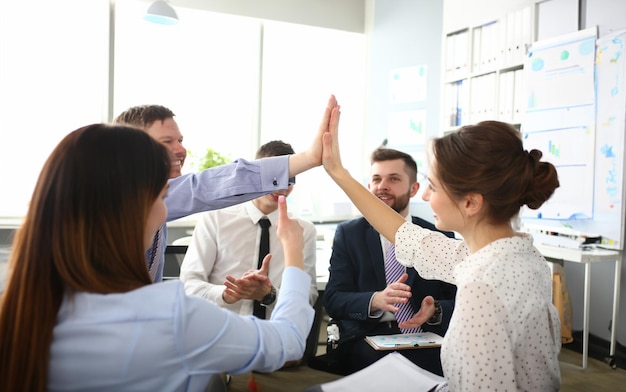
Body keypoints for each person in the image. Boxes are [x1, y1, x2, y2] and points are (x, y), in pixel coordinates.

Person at [0, 124, 314, 392]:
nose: (168, 209)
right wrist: (294, 254)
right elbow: (287, 341)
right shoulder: (171, 318)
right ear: (132, 209)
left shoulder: (19, 306)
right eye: (163, 196)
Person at [322, 106, 562, 391]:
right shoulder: (517, 255)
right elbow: (407, 236)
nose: (424, 194)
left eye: (433, 187)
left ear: (470, 203)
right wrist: (338, 172)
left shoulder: (481, 287)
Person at [114, 96, 337, 282]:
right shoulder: (129, 198)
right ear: (134, 150)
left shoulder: (159, 205)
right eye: (166, 142)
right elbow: (204, 187)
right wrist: (308, 158)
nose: (181, 149)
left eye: (180, 140)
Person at [323, 147, 457, 376]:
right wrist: (375, 300)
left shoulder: (438, 236)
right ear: (368, 187)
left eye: (393, 179)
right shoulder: (349, 234)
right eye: (376, 179)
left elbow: (458, 300)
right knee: (388, 371)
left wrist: (435, 311)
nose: (382, 186)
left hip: (426, 339)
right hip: (368, 337)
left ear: (414, 188)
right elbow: (334, 299)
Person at [180, 140, 318, 319]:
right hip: (221, 331)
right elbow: (188, 284)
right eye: (274, 176)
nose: (281, 186)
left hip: (275, 336)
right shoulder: (215, 219)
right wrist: (226, 294)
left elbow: (308, 297)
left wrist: (269, 295)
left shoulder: (303, 230)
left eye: (289, 178)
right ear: (256, 174)